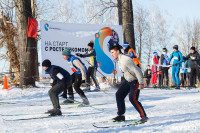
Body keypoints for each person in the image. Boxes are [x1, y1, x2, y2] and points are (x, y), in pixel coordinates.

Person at [110, 46, 148, 123]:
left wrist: (141, 82)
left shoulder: (125, 59)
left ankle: (144, 117)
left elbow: (137, 70)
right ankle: (121, 115)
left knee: (132, 99)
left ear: (118, 52)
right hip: (128, 80)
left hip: (135, 80)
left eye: (113, 52)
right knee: (119, 95)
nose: (111, 54)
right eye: (111, 53)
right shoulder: (119, 60)